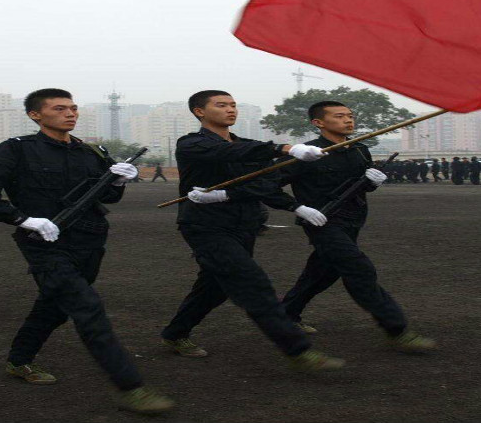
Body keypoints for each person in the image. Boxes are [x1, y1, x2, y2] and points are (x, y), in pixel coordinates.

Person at [0, 88, 173, 414]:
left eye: (73, 108)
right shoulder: (17, 150)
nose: (70, 114)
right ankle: (131, 388)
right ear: (35, 115)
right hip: (45, 245)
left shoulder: (89, 152)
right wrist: (23, 219)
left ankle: (19, 360)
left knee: (55, 307)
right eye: (60, 109)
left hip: (89, 242)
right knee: (87, 308)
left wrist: (117, 181)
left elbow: (107, 199)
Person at [160, 90, 345, 372]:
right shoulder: (192, 144)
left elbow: (266, 184)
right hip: (205, 225)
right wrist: (284, 148)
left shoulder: (248, 145)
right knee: (251, 282)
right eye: (221, 105)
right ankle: (297, 349)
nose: (230, 110)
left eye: (233, 105)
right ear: (199, 112)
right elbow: (227, 151)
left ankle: (175, 333)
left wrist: (291, 205)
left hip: (243, 224)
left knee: (214, 287)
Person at [277, 100, 436, 353]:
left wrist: (373, 181)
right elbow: (268, 185)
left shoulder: (360, 150)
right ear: (318, 123)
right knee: (358, 269)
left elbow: (362, 186)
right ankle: (396, 329)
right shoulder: (307, 153)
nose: (348, 120)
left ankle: (286, 313)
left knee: (324, 271)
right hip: (322, 222)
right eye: (339, 116)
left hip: (353, 218)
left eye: (350, 116)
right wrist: (296, 207)